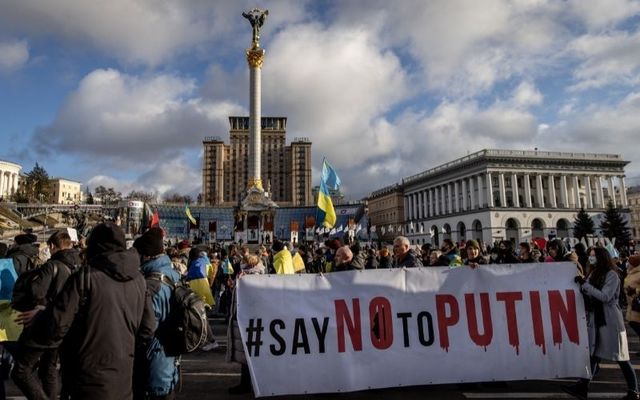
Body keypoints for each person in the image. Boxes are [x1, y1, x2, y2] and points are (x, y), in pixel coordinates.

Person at [32, 222, 155, 400]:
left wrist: (41, 317)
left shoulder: (85, 278)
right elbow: (148, 328)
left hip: (85, 376)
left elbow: (57, 326)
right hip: (123, 376)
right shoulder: (139, 280)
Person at [11, 231, 81, 400]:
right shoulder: (78, 265)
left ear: (51, 246)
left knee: (21, 370)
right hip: (63, 325)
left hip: (43, 324)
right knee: (48, 369)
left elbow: (37, 292)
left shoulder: (52, 266)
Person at [567, 247, 639, 400]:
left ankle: (634, 391)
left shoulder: (612, 275)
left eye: (594, 256)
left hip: (610, 319)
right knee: (593, 354)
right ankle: (582, 386)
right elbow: (588, 291)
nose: (591, 258)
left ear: (601, 257)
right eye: (590, 255)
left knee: (621, 357)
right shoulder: (594, 273)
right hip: (597, 318)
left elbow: (605, 296)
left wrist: (585, 285)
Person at [132, 228, 180, 400]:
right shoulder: (173, 274)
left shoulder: (152, 284)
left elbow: (148, 327)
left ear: (146, 256)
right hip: (169, 358)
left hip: (154, 360)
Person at [226, 254, 265, 395]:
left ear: (247, 264)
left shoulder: (248, 278)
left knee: (247, 356)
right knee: (251, 356)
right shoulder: (258, 276)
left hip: (246, 320)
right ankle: (250, 384)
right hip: (253, 320)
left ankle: (247, 385)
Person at [624, 255, 640, 354]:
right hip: (632, 304)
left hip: (637, 304)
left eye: (629, 263)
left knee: (636, 324)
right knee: (633, 323)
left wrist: (636, 290)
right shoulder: (631, 272)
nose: (628, 264)